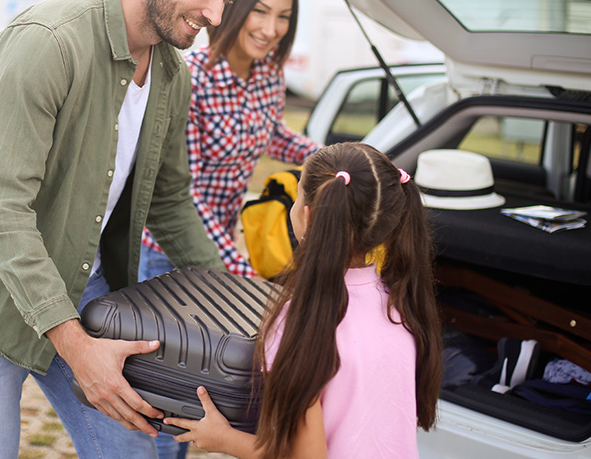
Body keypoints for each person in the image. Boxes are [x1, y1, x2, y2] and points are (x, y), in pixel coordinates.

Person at [0, 0, 257, 457]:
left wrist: (234, 306)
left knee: (131, 449)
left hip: (84, 287)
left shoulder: (173, 75)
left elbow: (169, 202)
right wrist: (76, 348)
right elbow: (0, 209)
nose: (217, 15)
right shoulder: (47, 44)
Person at [163, 141, 444, 458]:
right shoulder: (402, 304)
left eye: (297, 195)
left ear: (307, 217)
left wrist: (223, 438)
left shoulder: (303, 319)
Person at [139, 0, 323, 290]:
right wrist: (238, 269)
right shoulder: (191, 79)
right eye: (260, 11)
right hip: (167, 254)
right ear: (235, 5)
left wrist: (329, 157)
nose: (271, 30)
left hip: (223, 243)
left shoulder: (270, 74)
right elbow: (184, 194)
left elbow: (270, 133)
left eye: (284, 16)